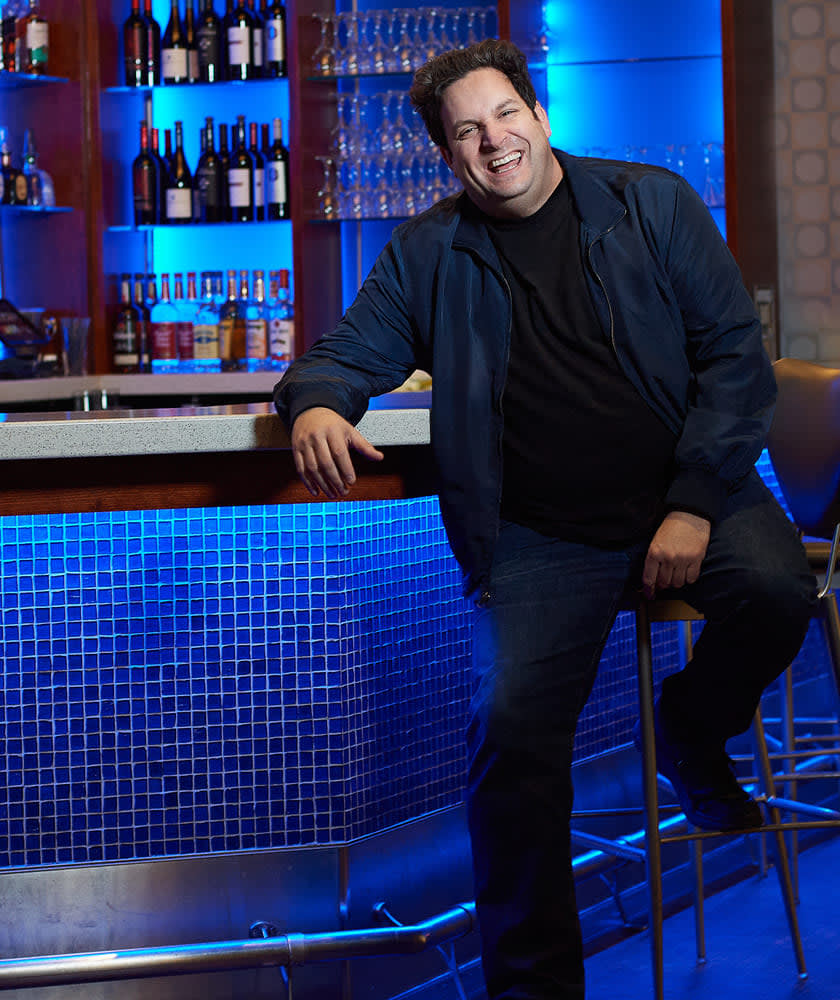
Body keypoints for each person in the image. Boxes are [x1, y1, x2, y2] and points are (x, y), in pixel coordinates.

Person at [274, 39, 817, 1000]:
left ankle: (692, 727)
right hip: (538, 534)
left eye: (505, 118)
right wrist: (316, 402)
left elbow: (736, 358)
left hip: (690, 497)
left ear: (541, 116)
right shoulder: (429, 250)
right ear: (449, 156)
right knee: (511, 735)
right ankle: (533, 990)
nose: (494, 144)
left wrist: (693, 505)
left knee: (778, 590)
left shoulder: (648, 205)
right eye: (467, 133)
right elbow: (347, 352)